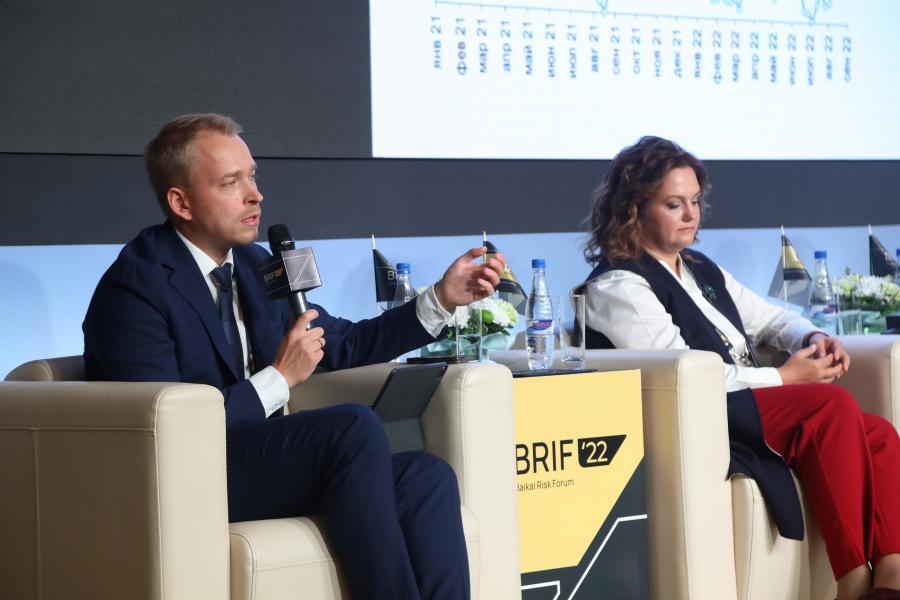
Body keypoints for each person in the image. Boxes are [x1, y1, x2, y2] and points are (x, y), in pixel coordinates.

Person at [83, 113, 506, 600]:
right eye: (231, 183)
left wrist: (441, 299)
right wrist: (278, 378)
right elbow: (163, 429)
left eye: (252, 176)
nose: (255, 195)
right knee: (350, 428)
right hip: (187, 474)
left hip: (258, 460)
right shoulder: (136, 287)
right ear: (181, 202)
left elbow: (343, 343)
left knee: (426, 479)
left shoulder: (254, 264)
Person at [579, 135, 900, 600]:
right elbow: (684, 374)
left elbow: (770, 318)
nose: (691, 215)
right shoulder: (617, 285)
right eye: (674, 204)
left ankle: (891, 575)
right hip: (699, 415)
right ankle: (852, 581)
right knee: (828, 406)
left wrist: (811, 337)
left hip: (744, 401)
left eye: (695, 202)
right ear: (634, 208)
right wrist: (785, 378)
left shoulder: (699, 268)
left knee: (879, 435)